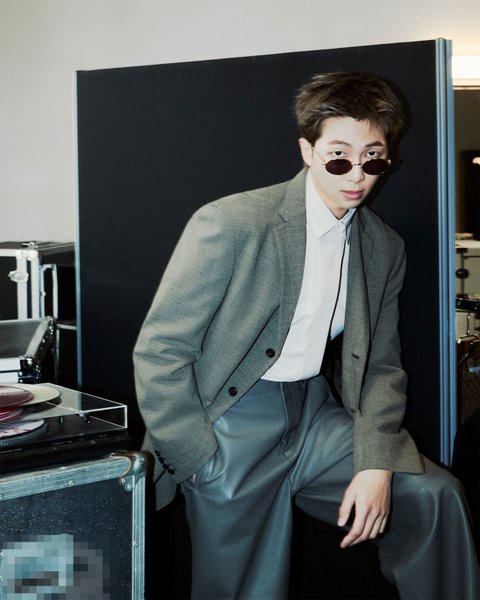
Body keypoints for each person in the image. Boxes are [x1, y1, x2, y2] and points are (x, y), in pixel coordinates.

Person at [134, 72, 480, 599]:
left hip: (315, 415)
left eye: (373, 159)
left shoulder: (383, 246)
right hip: (230, 421)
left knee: (434, 496)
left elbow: (382, 366)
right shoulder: (232, 223)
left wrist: (376, 461)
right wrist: (197, 457)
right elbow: (161, 350)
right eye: (339, 157)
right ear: (307, 151)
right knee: (248, 589)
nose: (356, 175)